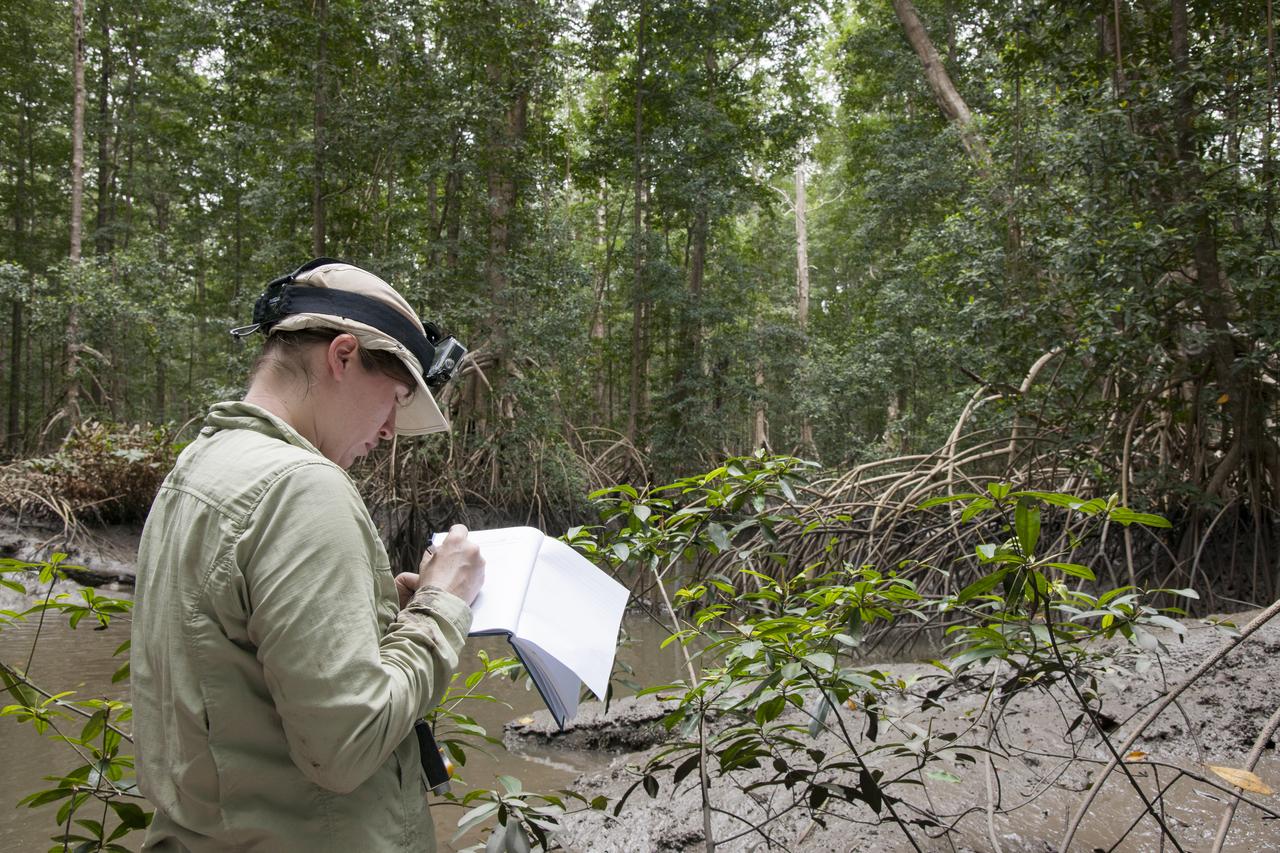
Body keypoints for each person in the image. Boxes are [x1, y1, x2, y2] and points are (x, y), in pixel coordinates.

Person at [131, 258, 485, 851]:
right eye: (396, 398)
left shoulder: (198, 467)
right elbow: (345, 747)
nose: (390, 429)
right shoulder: (303, 487)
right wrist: (441, 606)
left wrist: (381, 613)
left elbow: (236, 663)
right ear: (343, 356)